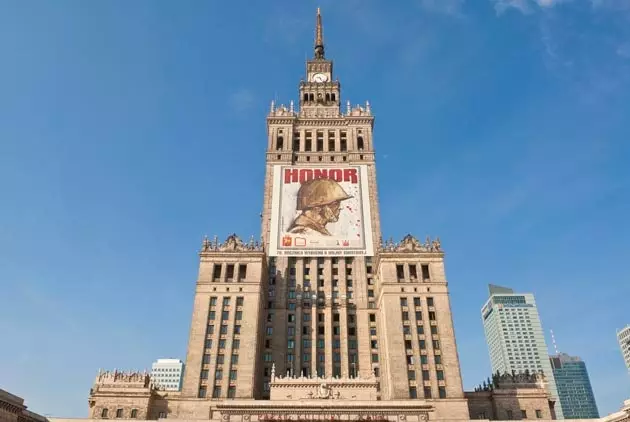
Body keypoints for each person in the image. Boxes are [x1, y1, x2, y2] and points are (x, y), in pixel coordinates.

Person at [287, 178, 352, 236]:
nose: (340, 208)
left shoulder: (315, 230)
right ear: (317, 208)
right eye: (335, 204)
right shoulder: (306, 233)